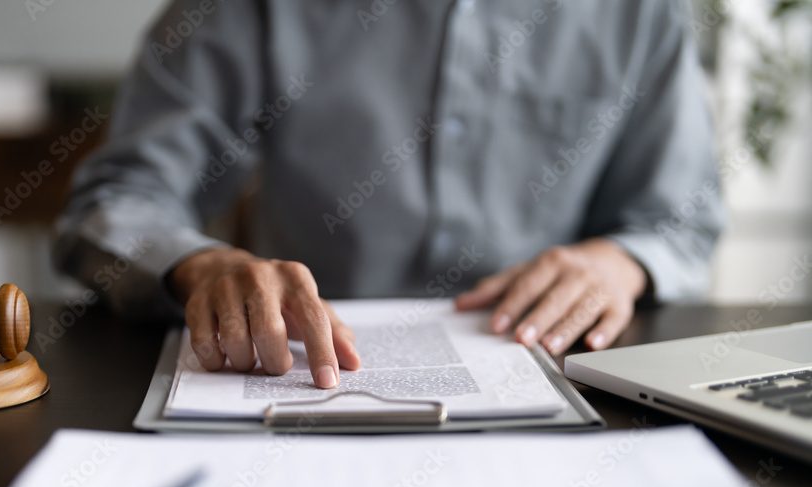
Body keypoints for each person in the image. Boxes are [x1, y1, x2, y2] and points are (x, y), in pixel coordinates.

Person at [54, 0, 725, 390]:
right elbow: (117, 199)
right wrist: (200, 266)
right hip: (301, 394)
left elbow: (680, 218)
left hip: (556, 389)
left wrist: (619, 262)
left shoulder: (640, 12)